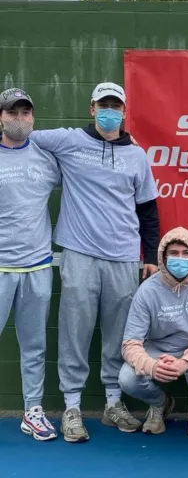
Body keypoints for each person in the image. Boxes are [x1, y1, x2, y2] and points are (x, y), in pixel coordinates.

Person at [29, 82, 160, 443]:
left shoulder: (137, 155)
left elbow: (148, 209)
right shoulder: (69, 140)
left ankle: (113, 403)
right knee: (75, 332)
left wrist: (150, 257)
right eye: (103, 105)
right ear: (91, 108)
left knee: (118, 337)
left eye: (115, 105)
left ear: (124, 110)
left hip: (123, 257)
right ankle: (71, 407)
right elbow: (28, 139)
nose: (109, 111)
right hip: (79, 253)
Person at [118, 227, 188, 437]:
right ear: (163, 257)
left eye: (186, 253)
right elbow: (130, 343)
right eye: (173, 253)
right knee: (127, 379)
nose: (180, 258)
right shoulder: (147, 290)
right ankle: (160, 403)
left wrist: (186, 360)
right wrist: (152, 365)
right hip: (157, 350)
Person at [0, 88, 60, 441]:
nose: (19, 119)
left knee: (34, 346)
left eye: (25, 113)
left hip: (38, 268)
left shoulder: (45, 156)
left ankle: (33, 412)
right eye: (12, 113)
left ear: (33, 118)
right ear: (1, 118)